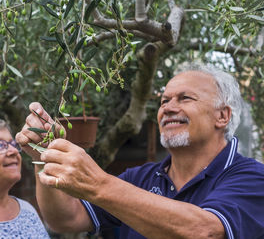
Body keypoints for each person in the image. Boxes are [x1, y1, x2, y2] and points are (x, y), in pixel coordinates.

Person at [16, 63, 264, 239]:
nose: (167, 108)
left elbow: (204, 231)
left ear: (222, 116)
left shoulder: (252, 178)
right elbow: (65, 219)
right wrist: (43, 158)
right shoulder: (140, 178)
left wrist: (99, 184)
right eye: (164, 101)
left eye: (185, 98)